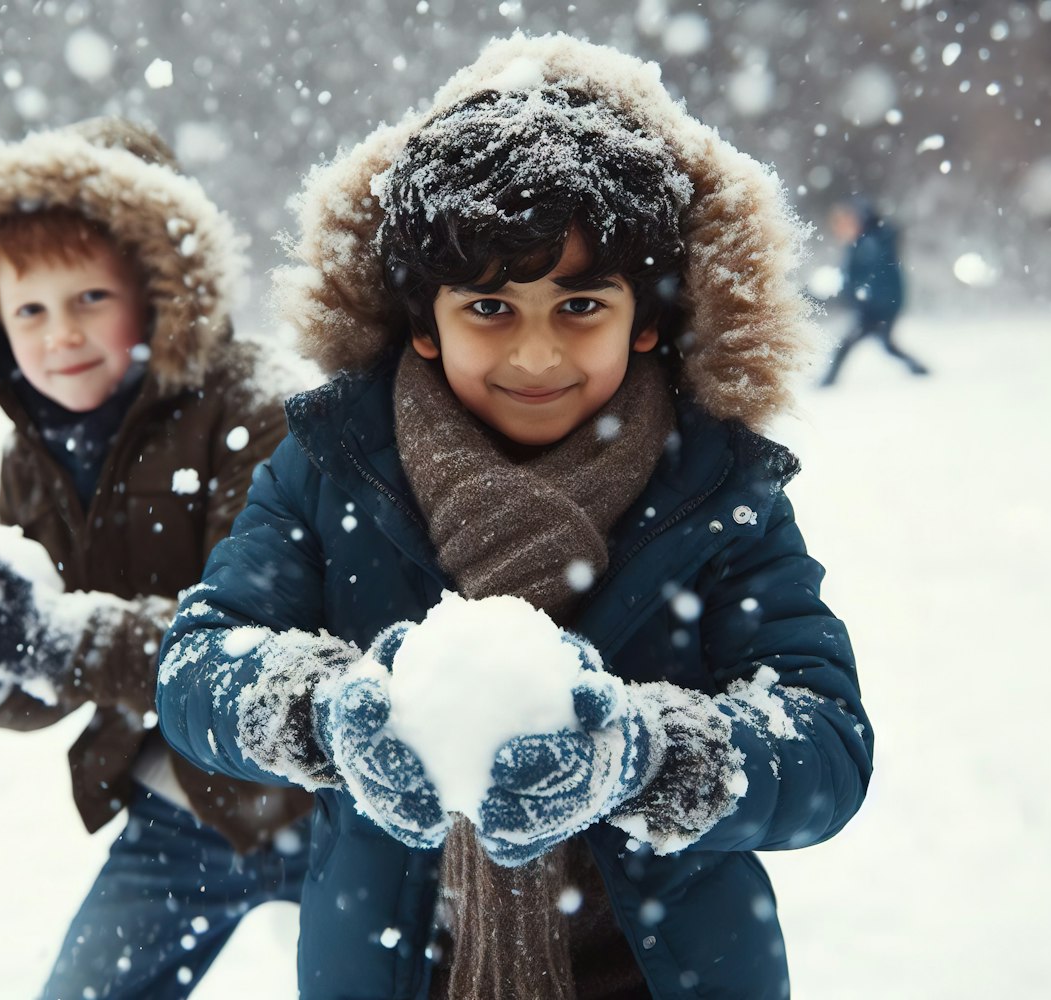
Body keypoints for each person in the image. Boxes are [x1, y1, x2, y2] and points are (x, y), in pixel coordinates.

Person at [156, 34, 874, 1000]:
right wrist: (325, 715)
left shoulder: (719, 493)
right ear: (423, 319)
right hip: (395, 974)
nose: (537, 357)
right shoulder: (334, 466)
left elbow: (824, 740)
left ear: (647, 317)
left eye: (580, 303)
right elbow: (200, 660)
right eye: (490, 307)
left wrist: (643, 756)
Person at [0, 118, 312, 999]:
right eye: (30, 310)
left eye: (90, 297)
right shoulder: (33, 457)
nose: (61, 335)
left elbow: (244, 647)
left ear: (165, 288)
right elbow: (54, 674)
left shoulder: (264, 408)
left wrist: (43, 639)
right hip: (181, 814)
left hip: (332, 805)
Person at [819, 196, 929, 386]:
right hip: (871, 307)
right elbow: (851, 279)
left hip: (879, 307)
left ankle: (827, 382)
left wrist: (870, 302)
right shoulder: (858, 245)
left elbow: (876, 277)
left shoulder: (874, 242)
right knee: (886, 346)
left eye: (845, 222)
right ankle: (918, 369)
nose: (840, 229)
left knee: (848, 344)